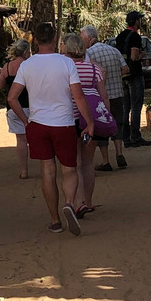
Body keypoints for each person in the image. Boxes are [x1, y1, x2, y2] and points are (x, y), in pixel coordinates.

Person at [7, 23, 94, 235]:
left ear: (35, 40)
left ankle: (55, 220)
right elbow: (78, 96)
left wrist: (26, 121)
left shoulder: (26, 65)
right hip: (63, 123)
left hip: (38, 124)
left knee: (47, 171)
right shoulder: (66, 63)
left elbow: (12, 97)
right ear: (55, 39)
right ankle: (69, 203)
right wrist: (90, 122)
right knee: (69, 169)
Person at [61, 33, 110, 217]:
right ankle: (88, 201)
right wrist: (106, 115)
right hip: (92, 119)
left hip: (71, 118)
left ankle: (78, 202)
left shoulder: (65, 68)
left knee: (75, 163)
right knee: (88, 162)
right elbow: (103, 95)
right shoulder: (94, 69)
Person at [80, 25, 130, 170]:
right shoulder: (114, 50)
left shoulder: (88, 53)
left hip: (100, 98)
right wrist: (116, 77)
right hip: (117, 94)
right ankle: (119, 153)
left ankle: (105, 161)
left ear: (89, 38)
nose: (82, 41)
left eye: (82, 38)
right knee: (118, 123)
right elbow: (126, 69)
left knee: (101, 127)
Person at [115, 11, 151, 147]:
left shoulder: (120, 36)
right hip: (135, 75)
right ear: (136, 21)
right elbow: (134, 56)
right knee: (136, 107)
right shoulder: (135, 36)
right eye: (139, 20)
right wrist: (142, 54)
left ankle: (125, 138)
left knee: (126, 107)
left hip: (123, 75)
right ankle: (136, 137)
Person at [0, 38, 32, 179]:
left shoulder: (7, 67)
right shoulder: (29, 65)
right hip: (31, 106)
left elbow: (0, 85)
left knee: (21, 140)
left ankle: (24, 170)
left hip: (13, 108)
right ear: (25, 51)